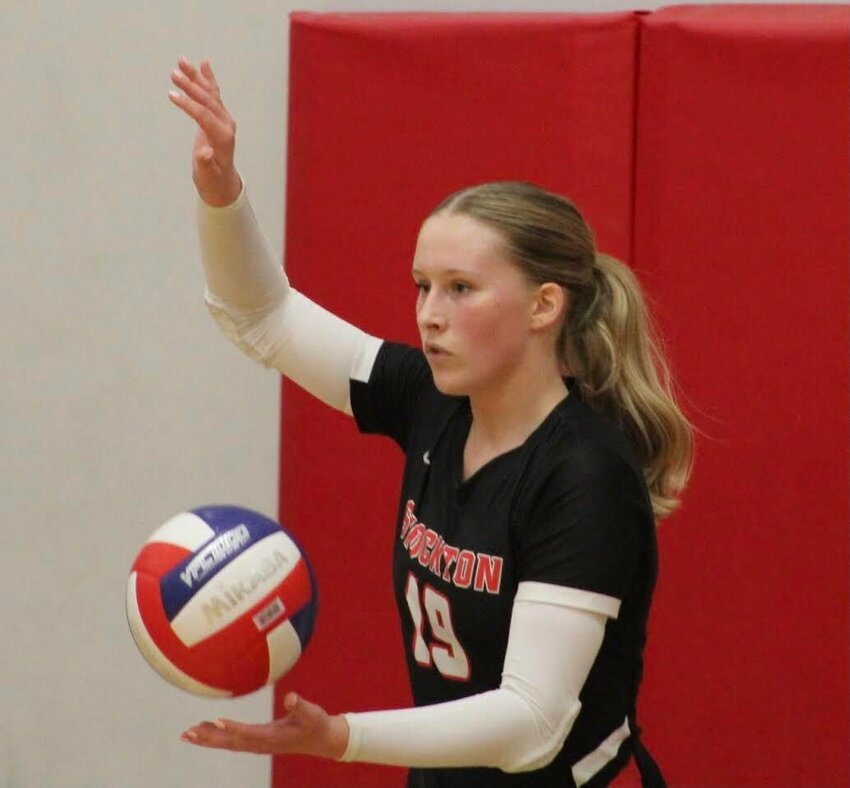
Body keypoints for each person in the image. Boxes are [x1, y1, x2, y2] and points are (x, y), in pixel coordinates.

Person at [168, 56, 692, 788]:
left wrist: (342, 738)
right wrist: (219, 189)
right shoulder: (434, 400)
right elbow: (261, 316)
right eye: (422, 286)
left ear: (546, 306)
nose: (429, 314)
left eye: (461, 289)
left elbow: (531, 721)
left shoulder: (583, 475)